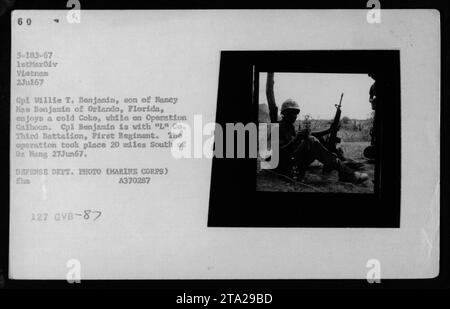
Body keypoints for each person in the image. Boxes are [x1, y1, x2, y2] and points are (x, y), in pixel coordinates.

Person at [276, 99, 368, 184]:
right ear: (284, 113)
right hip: (286, 165)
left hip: (295, 161)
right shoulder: (277, 128)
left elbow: (311, 134)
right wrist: (296, 139)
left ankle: (336, 165)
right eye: (291, 113)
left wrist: (328, 130)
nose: (294, 116)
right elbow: (278, 153)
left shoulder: (290, 126)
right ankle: (346, 173)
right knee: (311, 140)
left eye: (296, 113)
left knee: (313, 138)